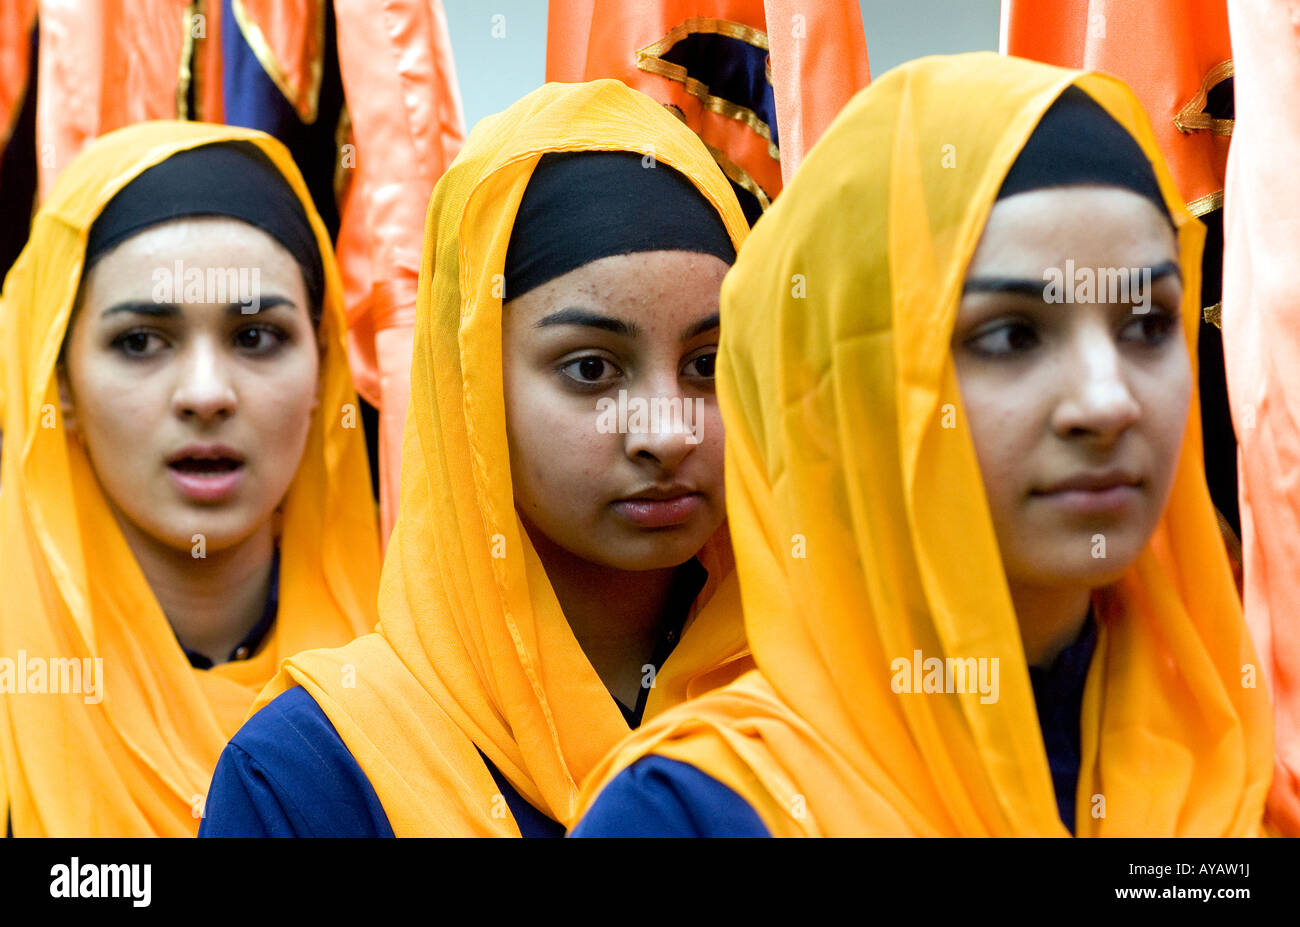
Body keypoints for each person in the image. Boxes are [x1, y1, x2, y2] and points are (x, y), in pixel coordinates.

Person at [571, 54, 1273, 837]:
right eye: (1012, 334)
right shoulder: (694, 815)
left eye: (1146, 326)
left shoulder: (1235, 761)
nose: (1107, 401)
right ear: (858, 385)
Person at [199, 79, 753, 837]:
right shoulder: (311, 773)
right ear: (469, 386)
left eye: (707, 363)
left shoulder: (821, 709)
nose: (667, 430)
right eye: (591, 368)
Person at [0, 121, 380, 836]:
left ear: (324, 368)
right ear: (61, 386)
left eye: (255, 336)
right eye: (141, 341)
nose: (206, 393)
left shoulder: (428, 677)